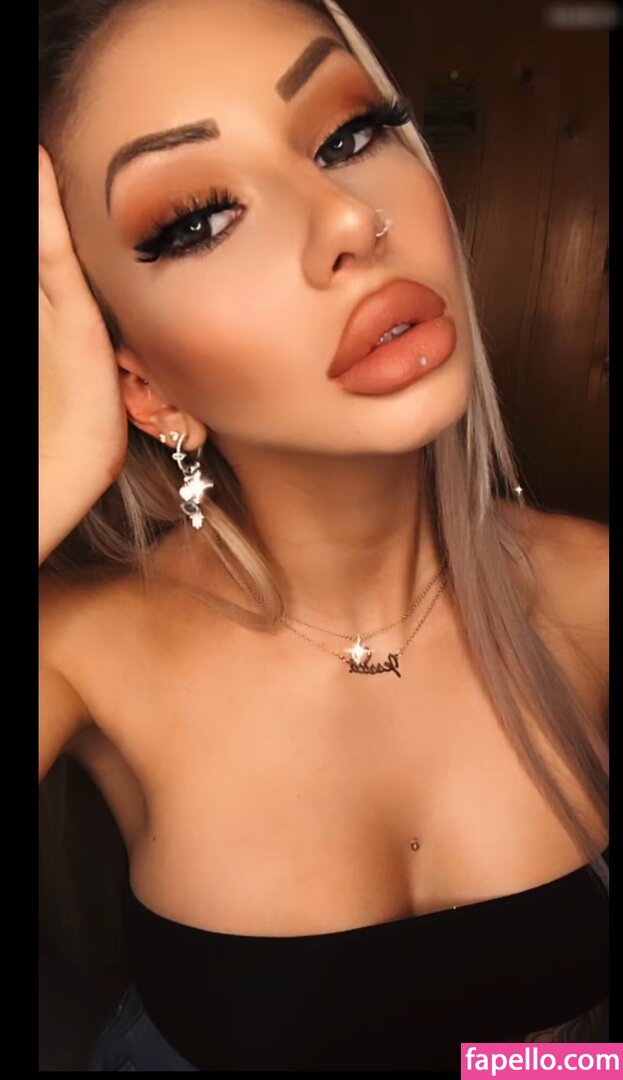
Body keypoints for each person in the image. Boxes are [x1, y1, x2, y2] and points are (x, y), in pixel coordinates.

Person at [39, 0, 609, 1070]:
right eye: (198, 220)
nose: (348, 218)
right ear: (144, 385)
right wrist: (52, 472)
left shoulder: (594, 592)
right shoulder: (81, 649)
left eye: (348, 135)